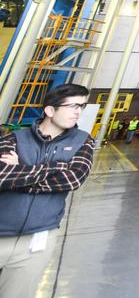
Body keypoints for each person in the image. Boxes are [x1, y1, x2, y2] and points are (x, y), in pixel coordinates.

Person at [0, 83, 95, 297]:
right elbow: (2, 175)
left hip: (37, 240)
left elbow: (72, 179)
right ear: (50, 110)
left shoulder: (83, 142)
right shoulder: (14, 138)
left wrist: (21, 169)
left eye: (82, 106)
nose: (78, 112)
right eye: (73, 106)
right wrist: (57, 166)